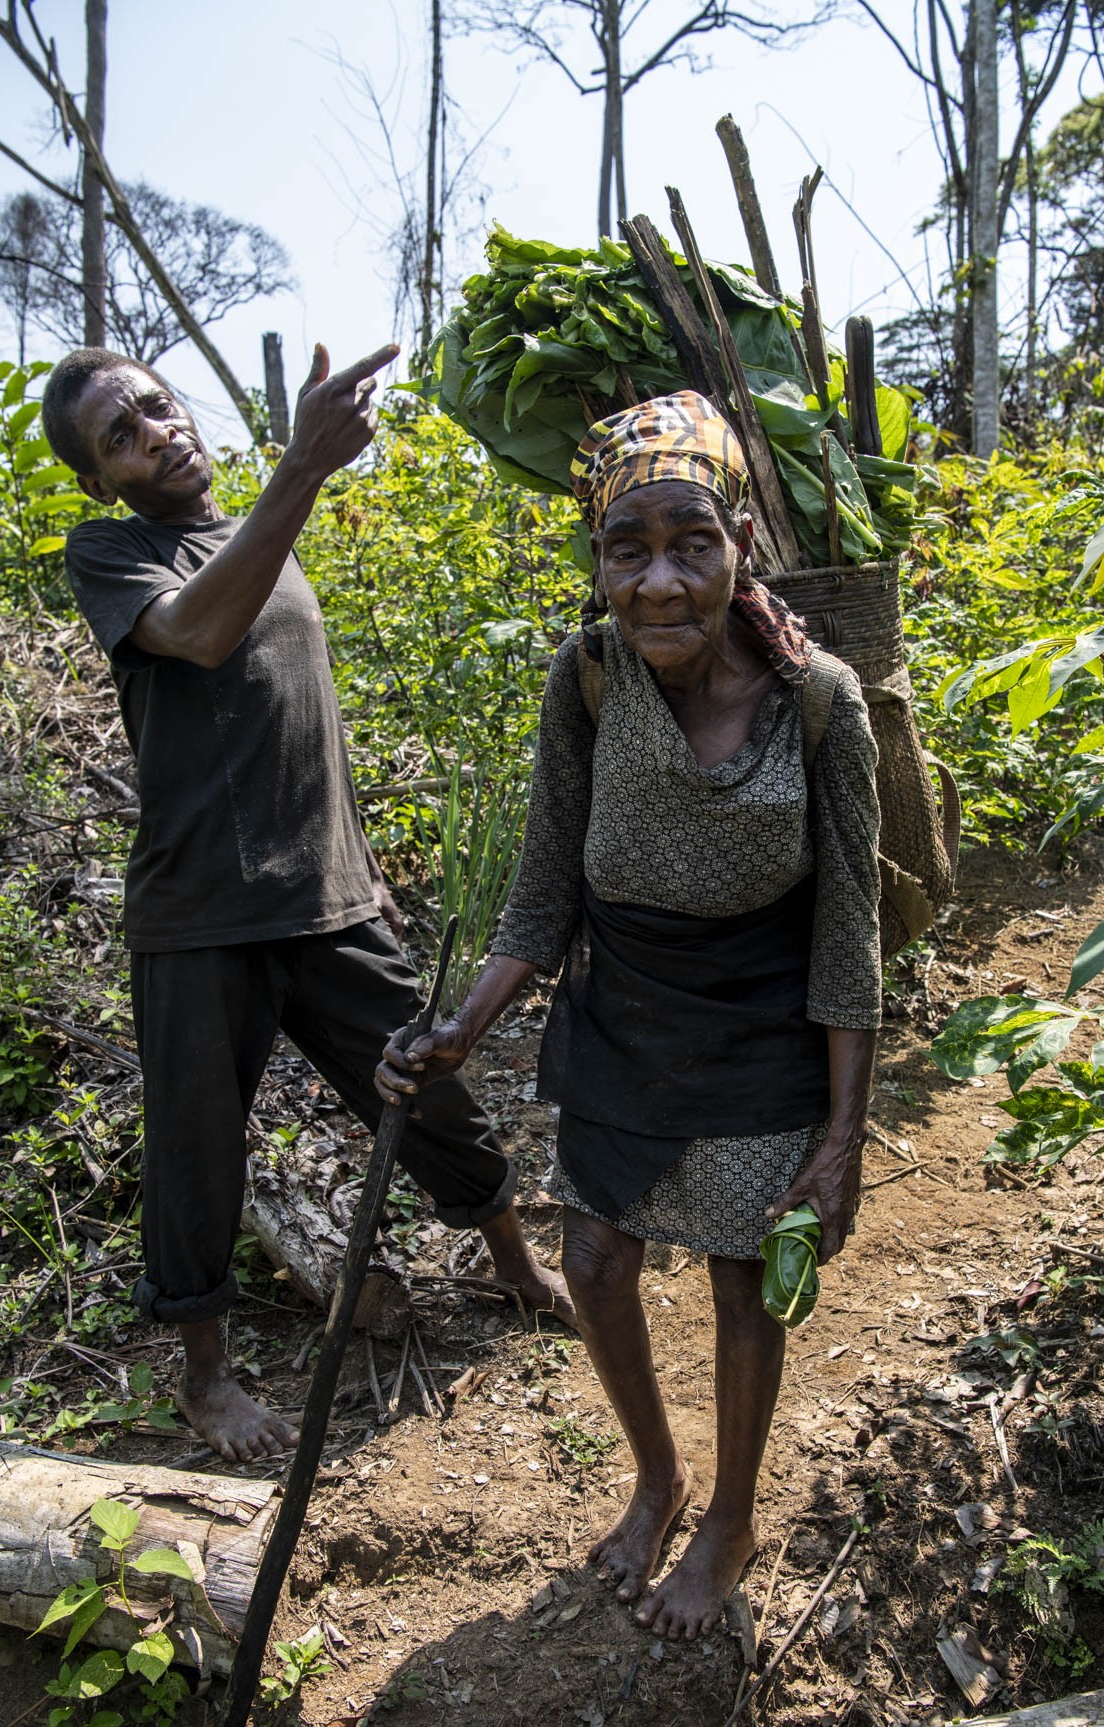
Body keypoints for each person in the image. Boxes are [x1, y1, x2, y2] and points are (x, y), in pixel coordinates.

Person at [377, 391, 881, 1638]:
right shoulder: (590, 676)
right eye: (627, 549)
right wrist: (464, 1029)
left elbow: (848, 936)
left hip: (762, 1029)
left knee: (737, 1283)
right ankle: (656, 1477)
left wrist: (840, 1137)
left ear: (741, 545)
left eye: (689, 543)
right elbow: (542, 892)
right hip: (621, 1020)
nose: (659, 581)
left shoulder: (817, 704)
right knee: (596, 1262)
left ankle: (732, 1517)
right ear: (596, 561)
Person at [43, 342, 572, 1465]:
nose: (155, 431)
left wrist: (361, 868)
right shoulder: (112, 551)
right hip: (198, 920)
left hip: (327, 902)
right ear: (101, 479)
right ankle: (206, 1378)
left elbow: (302, 727)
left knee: (434, 1092)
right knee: (198, 1151)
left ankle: (517, 1266)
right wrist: (305, 470)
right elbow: (195, 633)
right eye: (120, 437)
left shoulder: (265, 545)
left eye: (155, 405)